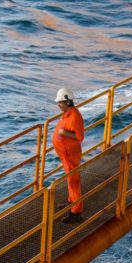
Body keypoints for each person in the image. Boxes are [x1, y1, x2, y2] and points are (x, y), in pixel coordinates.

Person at [53, 88, 84, 223]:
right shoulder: (67, 114)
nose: (58, 104)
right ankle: (71, 201)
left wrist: (63, 134)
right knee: (70, 180)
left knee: (73, 182)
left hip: (71, 155)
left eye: (60, 102)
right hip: (66, 154)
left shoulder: (75, 117)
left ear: (67, 102)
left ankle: (76, 212)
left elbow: (79, 137)